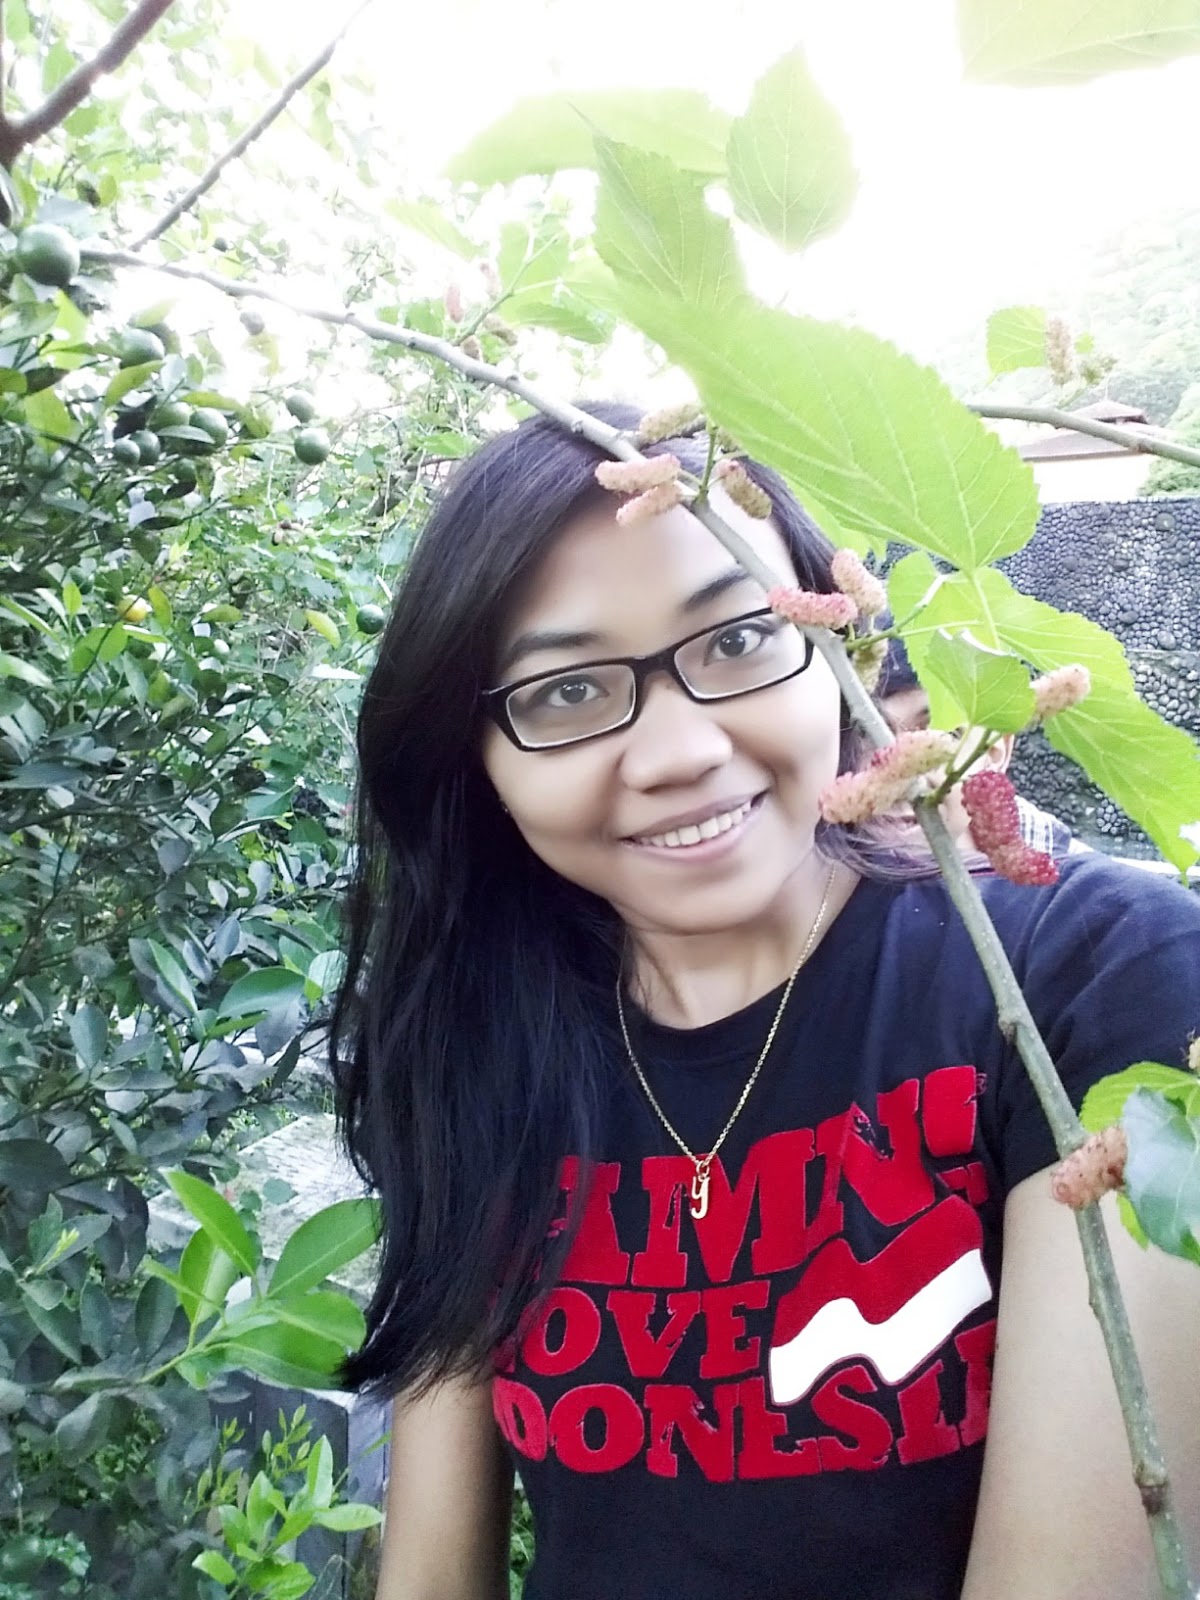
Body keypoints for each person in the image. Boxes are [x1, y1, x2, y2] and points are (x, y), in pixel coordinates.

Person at [331, 403, 1200, 1600]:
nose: (681, 751)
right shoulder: (476, 1041)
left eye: (740, 637)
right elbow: (432, 1574)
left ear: (839, 646)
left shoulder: (1094, 981)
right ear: (469, 755)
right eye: (566, 691)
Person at [876, 634, 1085, 858]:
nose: (901, 780)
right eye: (866, 735)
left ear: (994, 753)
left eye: (937, 736)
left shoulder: (1083, 877)